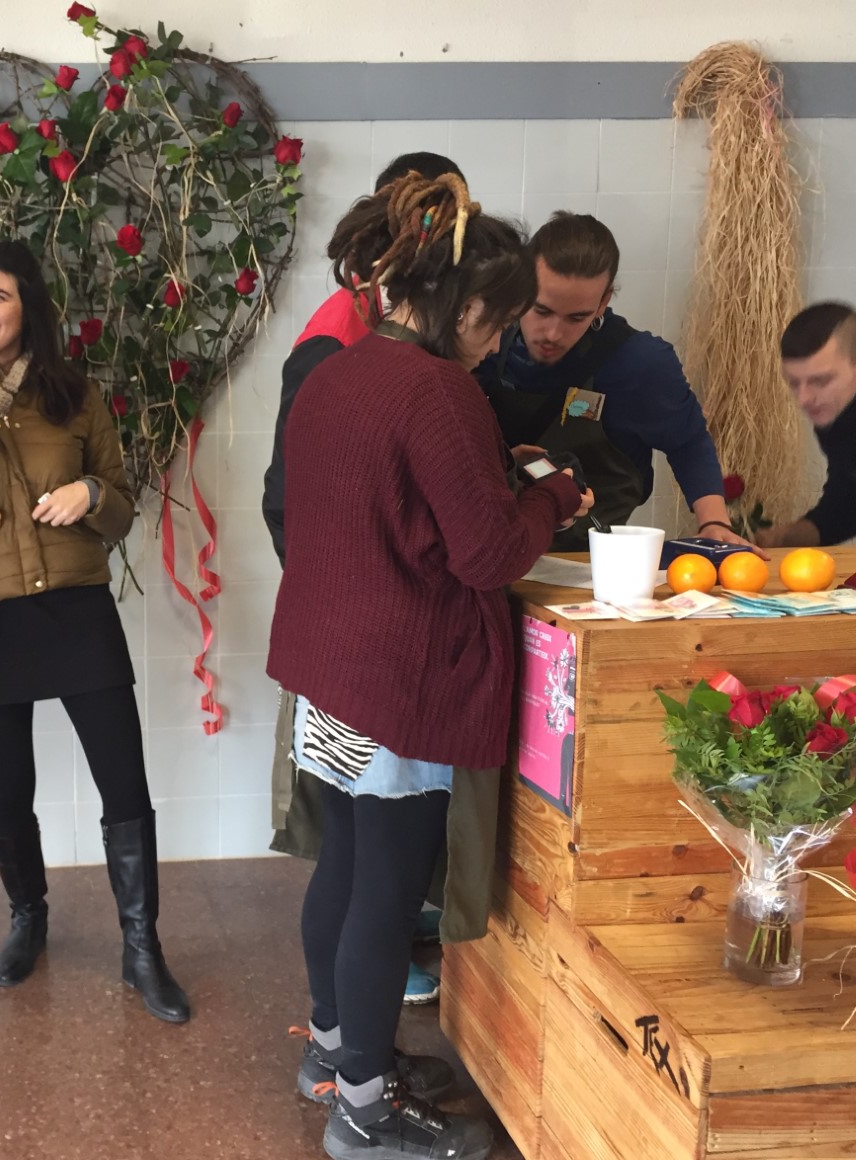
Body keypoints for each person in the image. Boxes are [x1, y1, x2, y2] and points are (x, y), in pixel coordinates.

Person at [268, 173, 592, 1160]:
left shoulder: (337, 370)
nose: (497, 341)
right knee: (385, 888)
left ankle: (334, 1057)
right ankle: (364, 1112)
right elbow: (487, 555)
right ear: (460, 302)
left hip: (329, 669)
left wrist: (495, 478)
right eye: (496, 320)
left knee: (343, 865)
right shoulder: (438, 388)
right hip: (398, 678)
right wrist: (552, 497)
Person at [0, 239, 189, 1024]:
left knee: (124, 783)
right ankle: (27, 917)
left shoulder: (76, 395)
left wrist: (90, 495)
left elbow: (121, 502)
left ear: (29, 307)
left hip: (75, 609)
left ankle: (142, 947)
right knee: (8, 791)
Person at [263, 151, 464, 1006]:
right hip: (368, 648)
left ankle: (337, 1041)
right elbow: (287, 501)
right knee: (364, 866)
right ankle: (359, 1059)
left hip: (338, 638)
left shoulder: (384, 342)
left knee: (355, 857)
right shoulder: (340, 347)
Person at [476, 211, 757, 552]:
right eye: (542, 310)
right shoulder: (485, 341)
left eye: (576, 317)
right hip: (491, 545)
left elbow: (688, 441)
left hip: (588, 557)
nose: (553, 334)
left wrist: (714, 523)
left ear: (602, 303)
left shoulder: (638, 364)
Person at [756, 301, 856, 547]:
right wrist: (780, 537)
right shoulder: (836, 418)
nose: (804, 399)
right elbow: (845, 507)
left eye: (820, 381)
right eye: (794, 383)